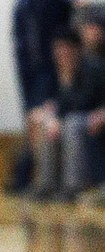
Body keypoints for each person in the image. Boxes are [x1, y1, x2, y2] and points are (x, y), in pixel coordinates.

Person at [13, 0, 78, 178]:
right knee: (35, 116)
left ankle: (55, 174)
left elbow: (74, 9)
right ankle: (34, 173)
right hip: (34, 66)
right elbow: (20, 28)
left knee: (59, 113)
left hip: (61, 62)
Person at [30, 27, 105, 201]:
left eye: (66, 48)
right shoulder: (55, 73)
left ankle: (73, 186)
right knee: (48, 126)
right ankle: (46, 185)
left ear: (77, 49)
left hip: (94, 118)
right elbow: (52, 105)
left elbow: (83, 103)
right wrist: (49, 118)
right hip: (74, 119)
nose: (62, 53)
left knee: (71, 124)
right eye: (58, 49)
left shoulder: (95, 69)